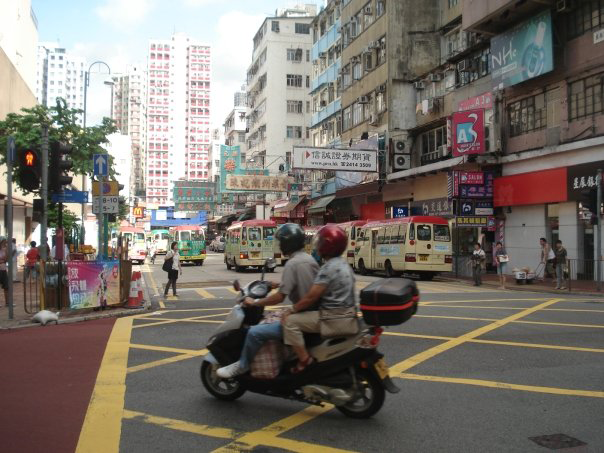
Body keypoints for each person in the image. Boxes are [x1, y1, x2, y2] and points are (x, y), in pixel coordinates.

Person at [216, 224, 319, 379]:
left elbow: (279, 297)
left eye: (281, 242)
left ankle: (242, 366)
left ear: (287, 243)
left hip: (304, 315)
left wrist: (255, 302)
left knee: (254, 332)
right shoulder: (308, 259)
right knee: (271, 318)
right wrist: (276, 284)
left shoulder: (293, 263)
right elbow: (301, 284)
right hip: (311, 312)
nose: (279, 246)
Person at [282, 225, 355, 374]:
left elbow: (311, 297)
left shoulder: (327, 269)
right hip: (347, 315)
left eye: (320, 242)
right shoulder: (343, 264)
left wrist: (291, 309)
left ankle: (304, 360)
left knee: (289, 321)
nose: (317, 245)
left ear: (327, 245)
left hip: (331, 318)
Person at [0, 239, 10, 307]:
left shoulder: (4, 250)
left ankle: (7, 303)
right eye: (4, 242)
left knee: (6, 287)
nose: (5, 243)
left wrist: (7, 251)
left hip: (3, 269)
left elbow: (6, 260)